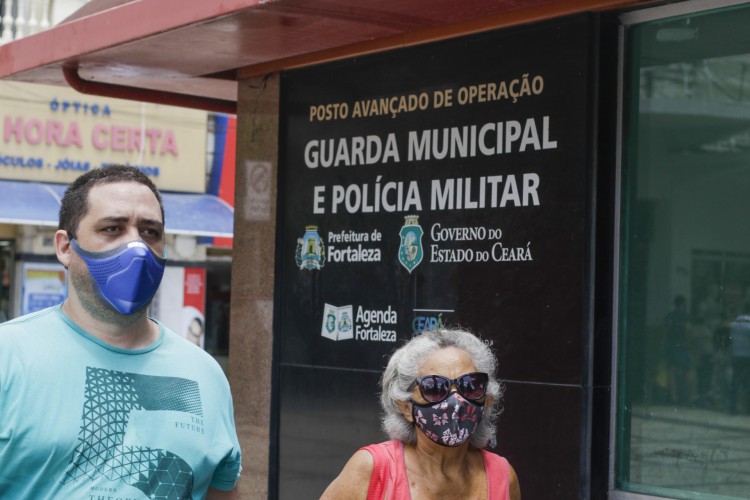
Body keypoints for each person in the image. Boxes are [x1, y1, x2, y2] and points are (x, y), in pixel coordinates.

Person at [0, 165, 242, 499]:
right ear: (65, 247)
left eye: (150, 232)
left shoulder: (205, 374)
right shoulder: (9, 357)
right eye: (113, 229)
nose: (136, 247)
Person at [321, 328, 521, 500]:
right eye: (434, 388)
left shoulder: (502, 476)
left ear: (486, 401)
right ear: (406, 407)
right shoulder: (373, 470)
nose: (456, 400)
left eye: (470, 385)